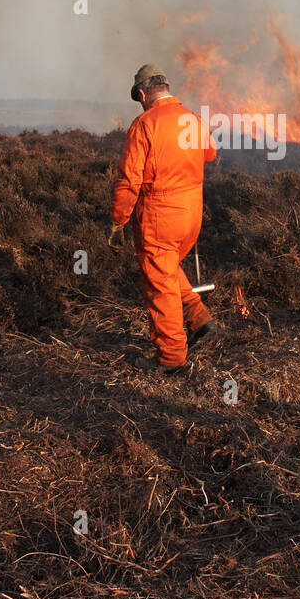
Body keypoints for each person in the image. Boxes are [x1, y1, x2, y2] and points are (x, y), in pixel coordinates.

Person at [110, 64, 217, 372]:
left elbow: (128, 179)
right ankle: (200, 320)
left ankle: (170, 357)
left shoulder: (144, 124)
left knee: (160, 285)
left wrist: (118, 218)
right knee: (167, 268)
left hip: (160, 216)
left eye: (139, 98)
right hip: (192, 215)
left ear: (143, 93)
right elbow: (209, 154)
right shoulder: (193, 119)